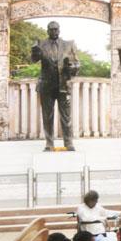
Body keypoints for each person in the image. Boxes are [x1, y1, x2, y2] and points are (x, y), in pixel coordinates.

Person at [31, 21, 79, 151]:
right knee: (47, 116)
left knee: (66, 116)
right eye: (51, 29)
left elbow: (77, 64)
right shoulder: (41, 44)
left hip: (63, 85)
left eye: (56, 29)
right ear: (47, 31)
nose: (54, 31)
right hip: (47, 85)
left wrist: (72, 67)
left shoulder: (69, 44)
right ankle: (49, 143)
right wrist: (34, 50)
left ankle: (68, 143)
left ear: (59, 30)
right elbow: (34, 60)